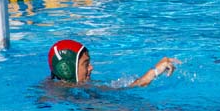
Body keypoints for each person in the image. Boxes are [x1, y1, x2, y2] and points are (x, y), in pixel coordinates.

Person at [47, 39, 180, 88]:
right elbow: (129, 87)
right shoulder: (73, 92)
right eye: (86, 64)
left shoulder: (55, 87)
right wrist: (154, 71)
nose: (91, 67)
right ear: (67, 69)